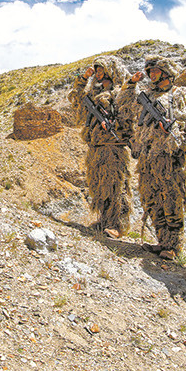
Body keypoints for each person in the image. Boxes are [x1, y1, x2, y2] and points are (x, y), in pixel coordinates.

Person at [117, 55, 186, 261]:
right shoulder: (147, 95)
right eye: (150, 71)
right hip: (147, 157)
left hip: (168, 157)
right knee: (151, 199)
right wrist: (131, 83)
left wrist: (173, 127)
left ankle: (173, 246)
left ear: (166, 73)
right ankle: (162, 240)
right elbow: (123, 104)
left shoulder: (179, 94)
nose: (152, 75)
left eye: (156, 71)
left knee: (172, 199)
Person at [68, 55, 132, 238]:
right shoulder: (93, 94)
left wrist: (114, 124)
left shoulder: (119, 93)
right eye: (96, 70)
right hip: (96, 147)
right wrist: (83, 78)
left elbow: (127, 116)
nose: (98, 73)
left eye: (101, 70)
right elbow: (76, 96)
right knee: (99, 185)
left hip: (113, 146)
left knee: (116, 186)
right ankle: (104, 221)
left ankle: (116, 225)